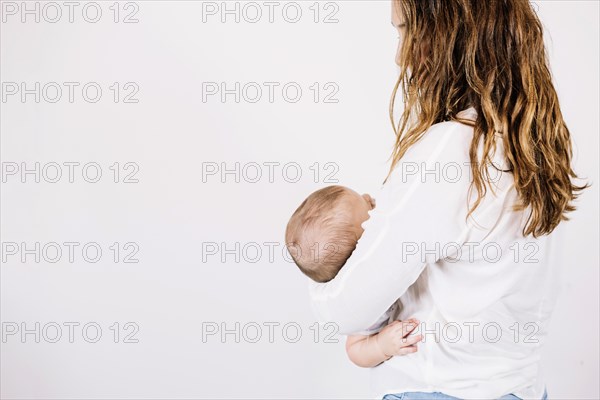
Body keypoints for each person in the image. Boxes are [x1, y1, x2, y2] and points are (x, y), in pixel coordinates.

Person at [307, 1, 588, 399]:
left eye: (406, 31)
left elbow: (345, 308)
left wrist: (320, 265)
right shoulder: (537, 146)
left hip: (438, 390)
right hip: (523, 388)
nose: (399, 54)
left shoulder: (451, 152)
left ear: (452, 35)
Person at [285, 185, 423, 368]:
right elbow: (355, 349)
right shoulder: (361, 301)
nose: (368, 196)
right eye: (370, 208)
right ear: (360, 254)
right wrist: (382, 346)